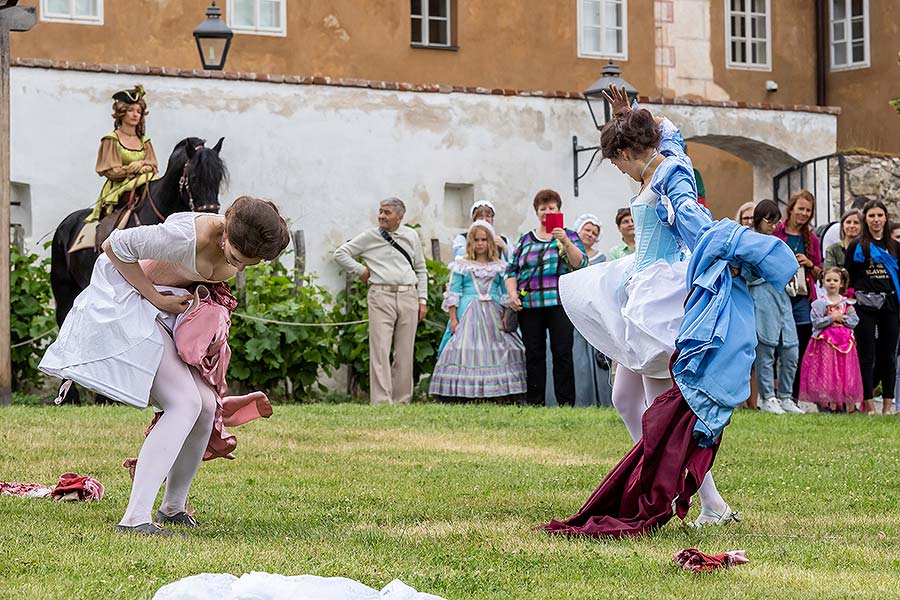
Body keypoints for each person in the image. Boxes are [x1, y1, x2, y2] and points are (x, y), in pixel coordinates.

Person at [40, 196, 290, 536]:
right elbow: (114, 246)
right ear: (224, 235)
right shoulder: (184, 237)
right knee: (183, 403)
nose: (240, 267)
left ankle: (173, 507)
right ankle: (134, 519)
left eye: (249, 264)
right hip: (132, 306)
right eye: (236, 259)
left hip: (167, 314)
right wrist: (156, 297)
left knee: (205, 407)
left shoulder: (247, 235)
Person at [554, 86, 735, 526]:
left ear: (628, 151)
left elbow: (693, 221)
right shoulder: (659, 159)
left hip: (660, 295)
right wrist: (626, 114)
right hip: (639, 285)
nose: (616, 169)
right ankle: (666, 480)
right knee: (623, 398)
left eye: (615, 159)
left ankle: (703, 500)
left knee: (661, 412)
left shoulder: (673, 173)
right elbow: (668, 129)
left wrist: (713, 254)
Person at [334, 197, 428, 405]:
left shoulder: (411, 236)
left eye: (387, 212)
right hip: (380, 295)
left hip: (408, 295)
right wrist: (361, 270)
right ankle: (382, 402)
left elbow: (420, 269)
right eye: (380, 211)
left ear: (400, 217)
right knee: (380, 350)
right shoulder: (370, 237)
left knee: (404, 352)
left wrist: (423, 299)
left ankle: (402, 400)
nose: (381, 216)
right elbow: (341, 253)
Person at [504, 189, 587, 407]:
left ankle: (566, 404)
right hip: (530, 305)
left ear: (559, 210)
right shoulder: (526, 240)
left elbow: (581, 263)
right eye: (542, 209)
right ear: (536, 212)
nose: (546, 212)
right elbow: (511, 271)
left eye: (551, 208)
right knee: (534, 354)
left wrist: (566, 241)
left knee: (562, 354)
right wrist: (512, 294)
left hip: (559, 304)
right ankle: (535, 403)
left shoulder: (569, 235)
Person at [429, 221, 526, 402]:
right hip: (468, 312)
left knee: (501, 348)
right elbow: (454, 292)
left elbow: (505, 292)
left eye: (484, 240)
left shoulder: (499, 266)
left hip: (493, 313)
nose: (480, 243)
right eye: (476, 240)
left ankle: (499, 392)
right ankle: (463, 392)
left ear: (490, 242)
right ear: (470, 243)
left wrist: (506, 315)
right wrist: (453, 318)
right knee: (463, 348)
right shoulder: (461, 265)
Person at [545, 214, 613, 407]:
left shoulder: (600, 258)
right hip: (566, 309)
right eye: (587, 230)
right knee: (566, 353)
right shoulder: (562, 250)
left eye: (594, 233)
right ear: (578, 231)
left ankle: (591, 400)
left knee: (588, 359)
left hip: (589, 309)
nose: (590, 235)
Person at [845, 200, 899, 415]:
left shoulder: (895, 246)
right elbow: (850, 275)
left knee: (888, 355)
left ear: (886, 217)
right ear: (865, 219)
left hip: (890, 305)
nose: (876, 220)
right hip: (865, 306)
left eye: (879, 215)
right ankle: (868, 404)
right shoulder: (857, 246)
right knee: (867, 355)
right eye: (871, 216)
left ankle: (887, 404)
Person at [746, 200, 800, 415]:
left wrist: (785, 276)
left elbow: (788, 272)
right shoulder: (749, 243)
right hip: (761, 300)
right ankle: (768, 397)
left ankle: (786, 397)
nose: (773, 226)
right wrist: (771, 273)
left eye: (776, 222)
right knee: (765, 351)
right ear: (759, 220)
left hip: (783, 300)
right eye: (770, 220)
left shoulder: (779, 244)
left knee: (791, 350)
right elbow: (746, 273)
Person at [774, 190, 822, 408]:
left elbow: (821, 272)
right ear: (791, 208)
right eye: (800, 208)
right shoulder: (777, 232)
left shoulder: (811, 239)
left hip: (802, 298)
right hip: (777, 295)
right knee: (774, 345)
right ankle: (773, 392)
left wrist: (809, 263)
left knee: (798, 348)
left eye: (808, 211)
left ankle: (792, 395)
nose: (803, 213)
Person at [86, 85, 159, 223]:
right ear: (122, 113)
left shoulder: (145, 141)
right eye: (130, 110)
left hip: (145, 184)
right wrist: (132, 169)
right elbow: (111, 171)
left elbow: (153, 165)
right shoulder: (111, 139)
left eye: (139, 111)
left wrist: (142, 165)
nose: (135, 114)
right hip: (119, 188)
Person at [798, 267, 862, 412]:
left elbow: (854, 320)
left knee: (843, 371)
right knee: (827, 372)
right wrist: (832, 318)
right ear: (823, 282)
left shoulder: (847, 304)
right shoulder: (819, 304)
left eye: (835, 280)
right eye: (828, 280)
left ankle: (841, 403)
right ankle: (826, 404)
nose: (832, 283)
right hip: (825, 342)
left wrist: (842, 319)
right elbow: (816, 322)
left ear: (841, 283)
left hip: (845, 342)